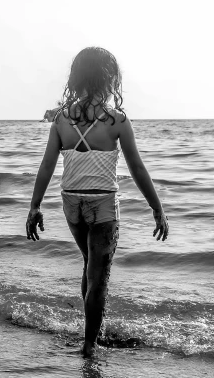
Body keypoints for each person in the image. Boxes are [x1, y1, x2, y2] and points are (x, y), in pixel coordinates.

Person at [25, 47, 170, 358]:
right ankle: (90, 347)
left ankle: (90, 332)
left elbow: (47, 166)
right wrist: (157, 209)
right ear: (109, 78)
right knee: (99, 278)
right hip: (102, 204)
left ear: (76, 78)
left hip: (71, 203)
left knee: (89, 267)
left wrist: (34, 206)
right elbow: (137, 167)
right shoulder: (116, 120)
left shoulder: (61, 119)